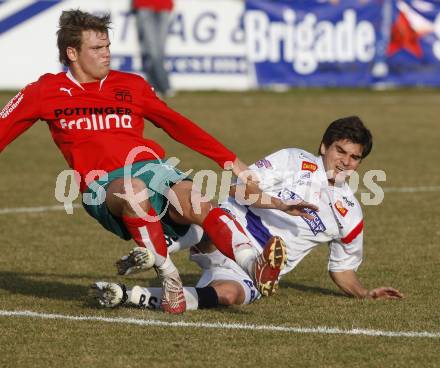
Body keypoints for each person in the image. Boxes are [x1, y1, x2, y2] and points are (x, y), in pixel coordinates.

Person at [0, 10, 315, 314]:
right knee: (131, 189)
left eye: (108, 46)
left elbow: (176, 123)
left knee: (194, 197)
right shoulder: (44, 92)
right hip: (102, 185)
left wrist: (230, 160)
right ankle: (170, 279)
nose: (106, 54)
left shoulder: (131, 85)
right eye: (97, 48)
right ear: (72, 52)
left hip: (153, 169)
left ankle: (253, 265)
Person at [93, 116, 403, 310]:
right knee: (204, 213)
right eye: (340, 151)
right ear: (324, 147)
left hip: (261, 272)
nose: (345, 162)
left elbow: (342, 268)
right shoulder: (294, 159)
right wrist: (278, 204)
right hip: (228, 229)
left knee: (227, 295)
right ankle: (160, 249)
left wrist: (363, 294)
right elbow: (238, 189)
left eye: (354, 157)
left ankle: (130, 295)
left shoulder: (350, 214)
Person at [133, 0, 174, 97]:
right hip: (144, 5)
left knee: (160, 51)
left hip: (164, 5)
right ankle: (165, 85)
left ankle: (153, 86)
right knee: (153, 51)